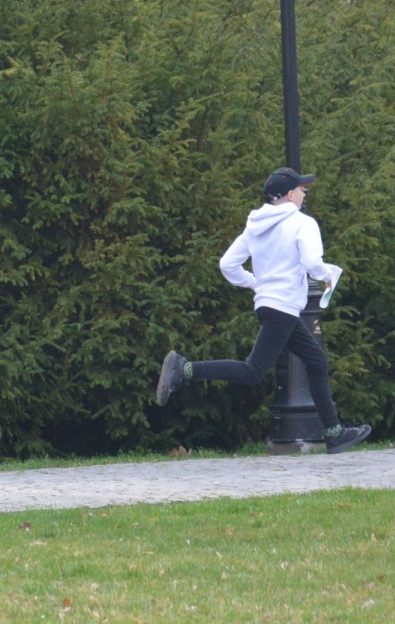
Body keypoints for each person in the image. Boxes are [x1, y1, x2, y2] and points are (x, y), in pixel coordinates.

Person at [154, 168, 372, 454]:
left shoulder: (255, 225)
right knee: (253, 371)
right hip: (282, 308)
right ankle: (184, 369)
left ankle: (334, 433)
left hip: (269, 306)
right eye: (302, 189)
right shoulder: (303, 223)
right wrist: (327, 275)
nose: (305, 194)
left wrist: (256, 283)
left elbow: (227, 264)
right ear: (290, 194)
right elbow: (312, 262)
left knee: (317, 360)